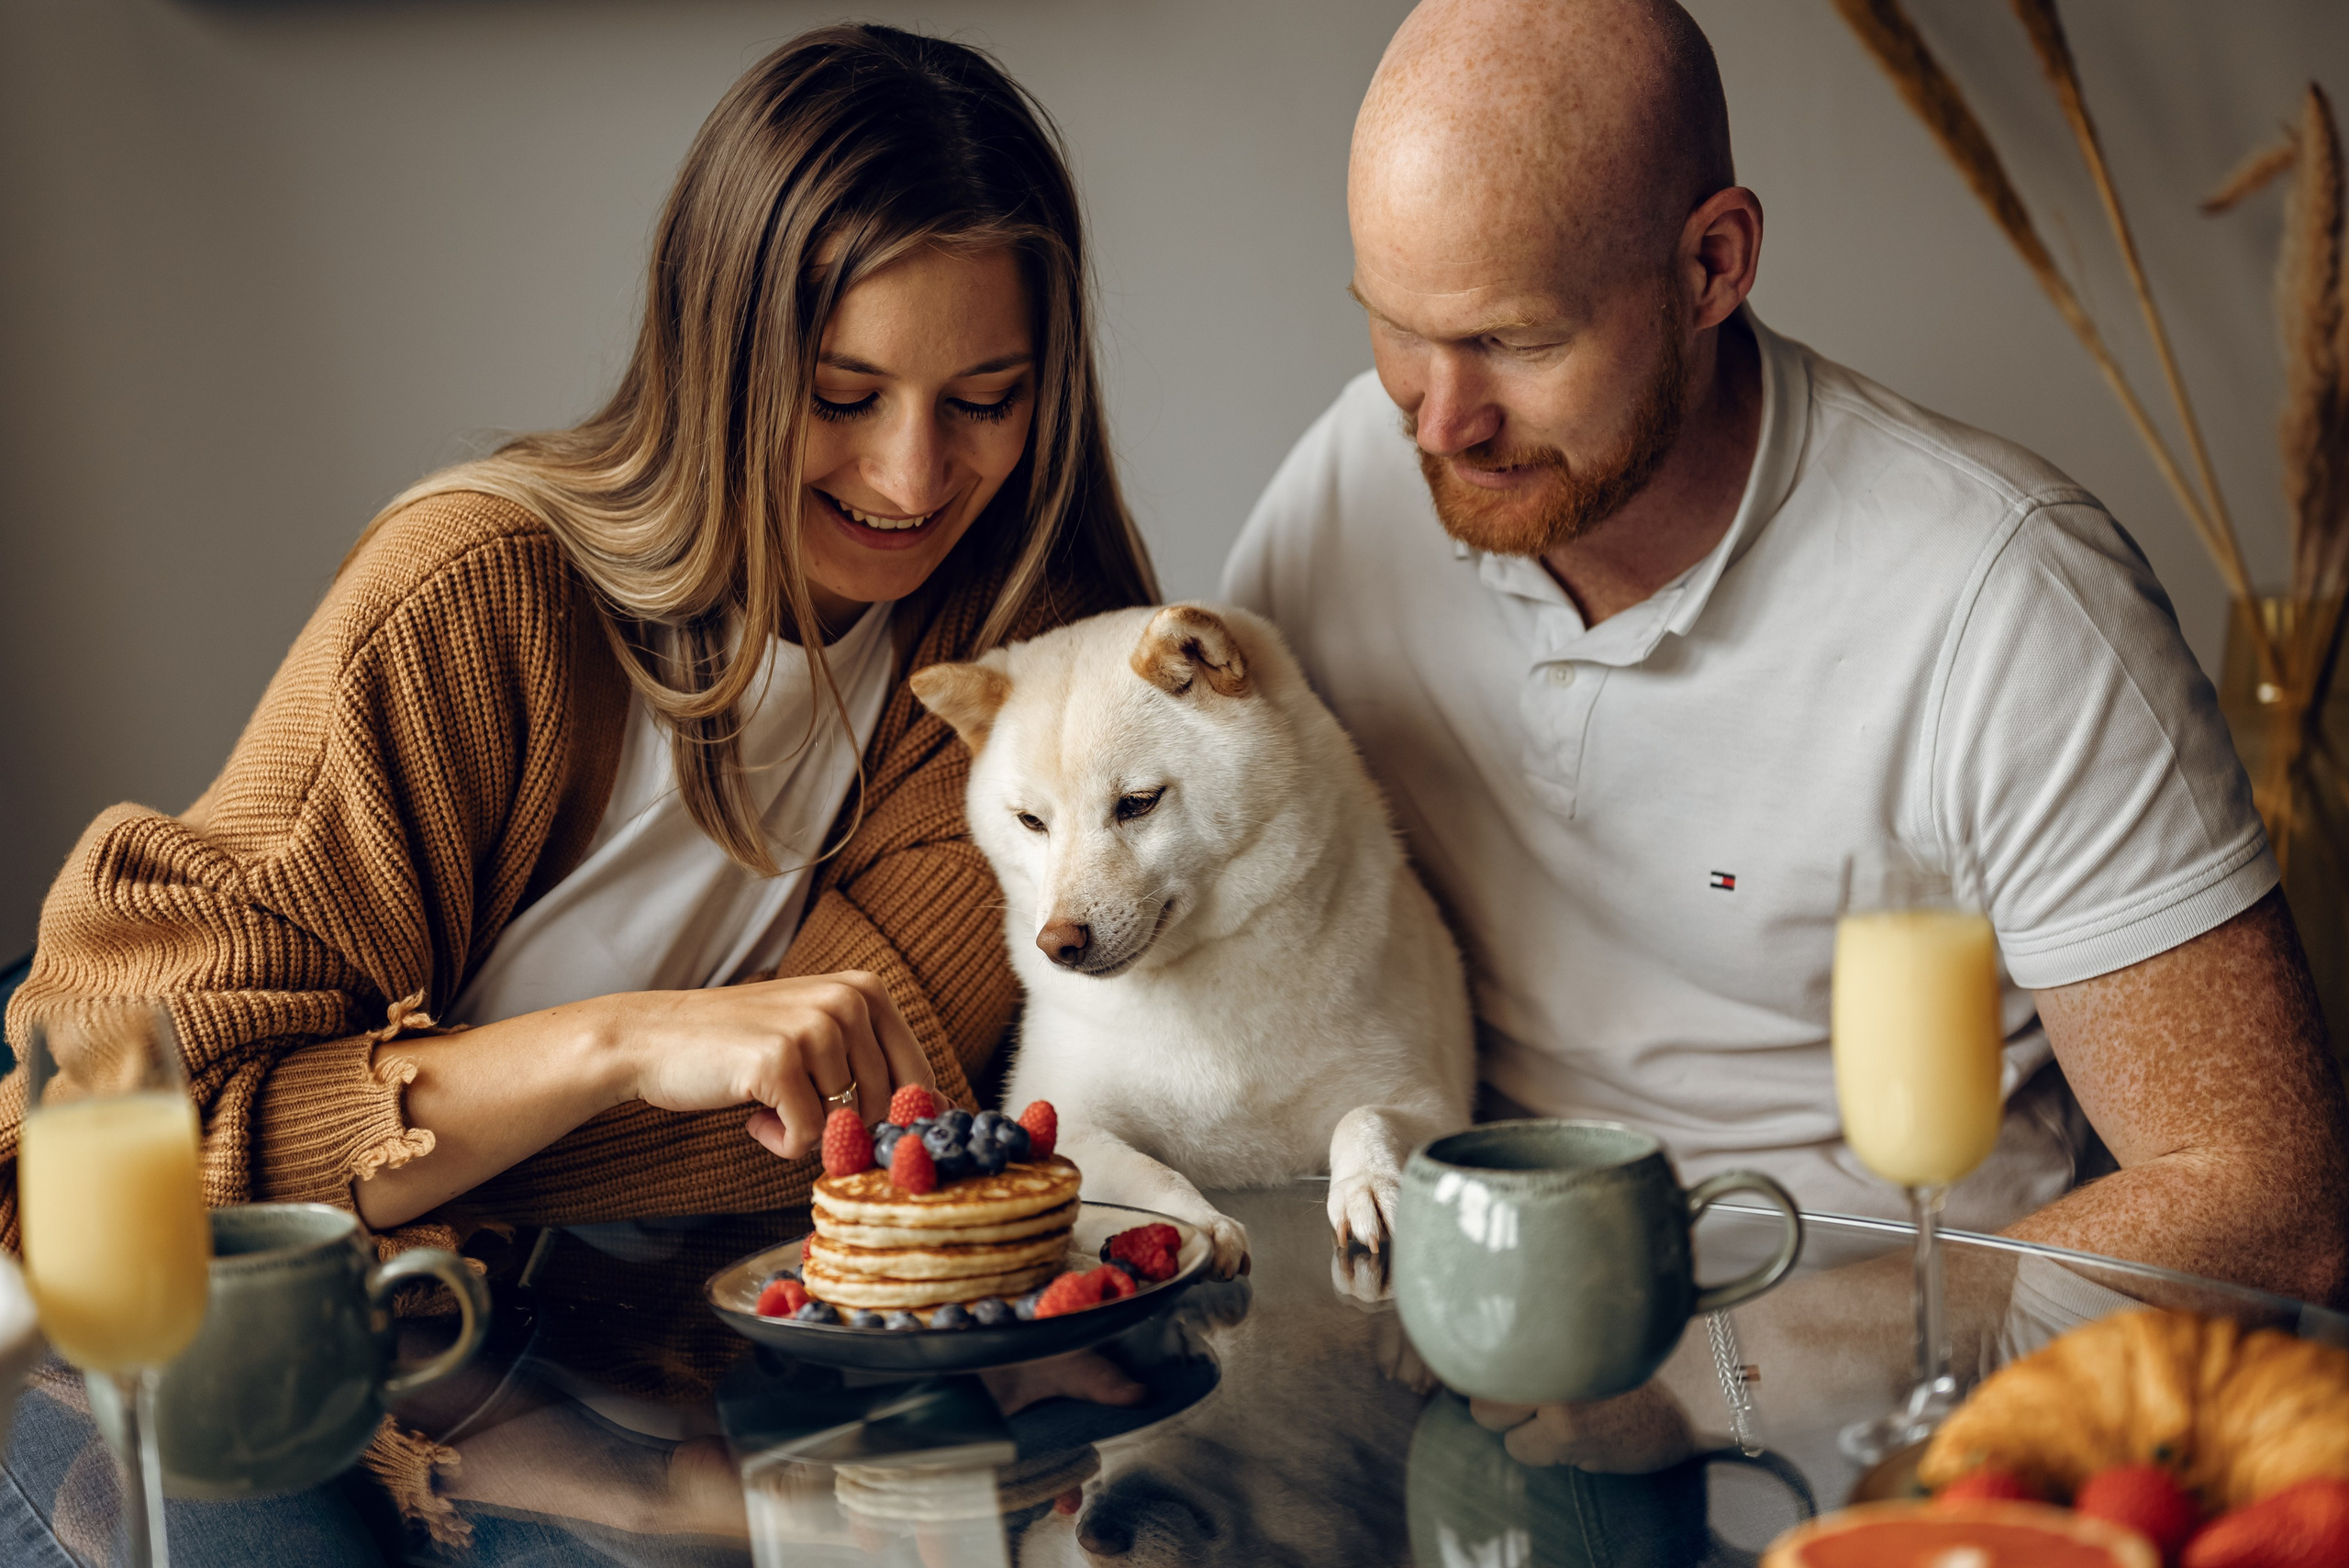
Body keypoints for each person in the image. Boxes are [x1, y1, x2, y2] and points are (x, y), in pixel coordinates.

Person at [0, 25, 1152, 1552]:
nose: (912, 476)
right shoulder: (477, 597)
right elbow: (139, 1155)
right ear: (719, 358)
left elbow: (853, 1115)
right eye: (842, 394)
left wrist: (457, 1173)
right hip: (149, 1220)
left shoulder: (1025, 663)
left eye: (986, 399)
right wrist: (623, 1044)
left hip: (527, 1335)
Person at [1228, 0, 2349, 1307]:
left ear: (1714, 264)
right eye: (1397, 328)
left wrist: (1744, 1372)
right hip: (1466, 1331)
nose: (1440, 424)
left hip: (1894, 1370)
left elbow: (2276, 1203)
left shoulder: (2011, 600)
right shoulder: (1355, 480)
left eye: (1514, 342)